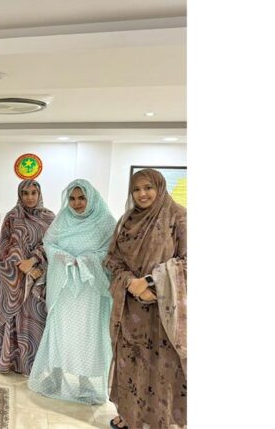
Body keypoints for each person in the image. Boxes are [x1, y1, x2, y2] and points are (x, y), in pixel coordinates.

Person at [104, 169, 187, 429]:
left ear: (159, 188)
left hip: (164, 312)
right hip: (130, 309)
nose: (142, 194)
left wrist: (151, 281)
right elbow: (112, 260)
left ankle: (160, 421)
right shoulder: (126, 220)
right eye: (136, 189)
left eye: (148, 188)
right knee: (131, 363)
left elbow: (188, 261)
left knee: (161, 367)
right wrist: (132, 283)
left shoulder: (179, 217)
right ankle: (129, 415)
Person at [27, 179, 116, 404]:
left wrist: (86, 260)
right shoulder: (63, 218)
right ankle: (56, 376)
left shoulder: (105, 221)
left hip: (90, 290)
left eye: (82, 198)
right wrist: (62, 256)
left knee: (88, 335)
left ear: (91, 198)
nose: (76, 203)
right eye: (72, 199)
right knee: (61, 331)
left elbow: (111, 251)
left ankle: (86, 383)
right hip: (64, 288)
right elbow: (49, 243)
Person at [0, 179, 55, 376]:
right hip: (16, 278)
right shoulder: (13, 217)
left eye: (33, 193)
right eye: (25, 193)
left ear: (39, 194)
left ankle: (33, 364)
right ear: (20, 195)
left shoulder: (50, 218)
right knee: (16, 320)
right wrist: (24, 265)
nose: (29, 197)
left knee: (36, 320)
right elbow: (5, 247)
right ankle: (11, 361)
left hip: (40, 278)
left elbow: (53, 244)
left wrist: (35, 260)